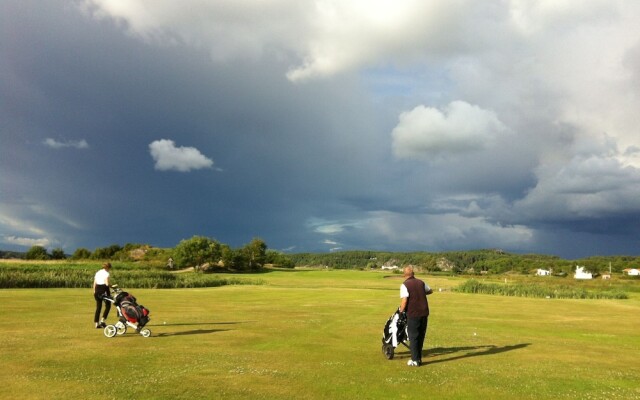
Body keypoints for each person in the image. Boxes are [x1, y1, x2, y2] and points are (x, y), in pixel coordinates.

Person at [398, 265, 433, 367]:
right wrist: (420, 293)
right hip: (424, 313)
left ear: (404, 275)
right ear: (413, 274)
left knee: (413, 337)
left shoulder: (404, 285)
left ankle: (414, 360)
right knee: (421, 336)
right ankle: (418, 359)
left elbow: (404, 301)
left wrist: (401, 312)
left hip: (413, 314)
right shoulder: (421, 282)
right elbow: (430, 291)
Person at [93, 262, 112, 328]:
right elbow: (106, 284)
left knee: (98, 307)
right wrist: (112, 286)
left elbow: (95, 282)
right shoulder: (107, 273)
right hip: (104, 290)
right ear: (108, 267)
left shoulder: (98, 272)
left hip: (97, 289)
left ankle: (96, 323)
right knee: (108, 305)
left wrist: (94, 291)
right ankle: (102, 321)